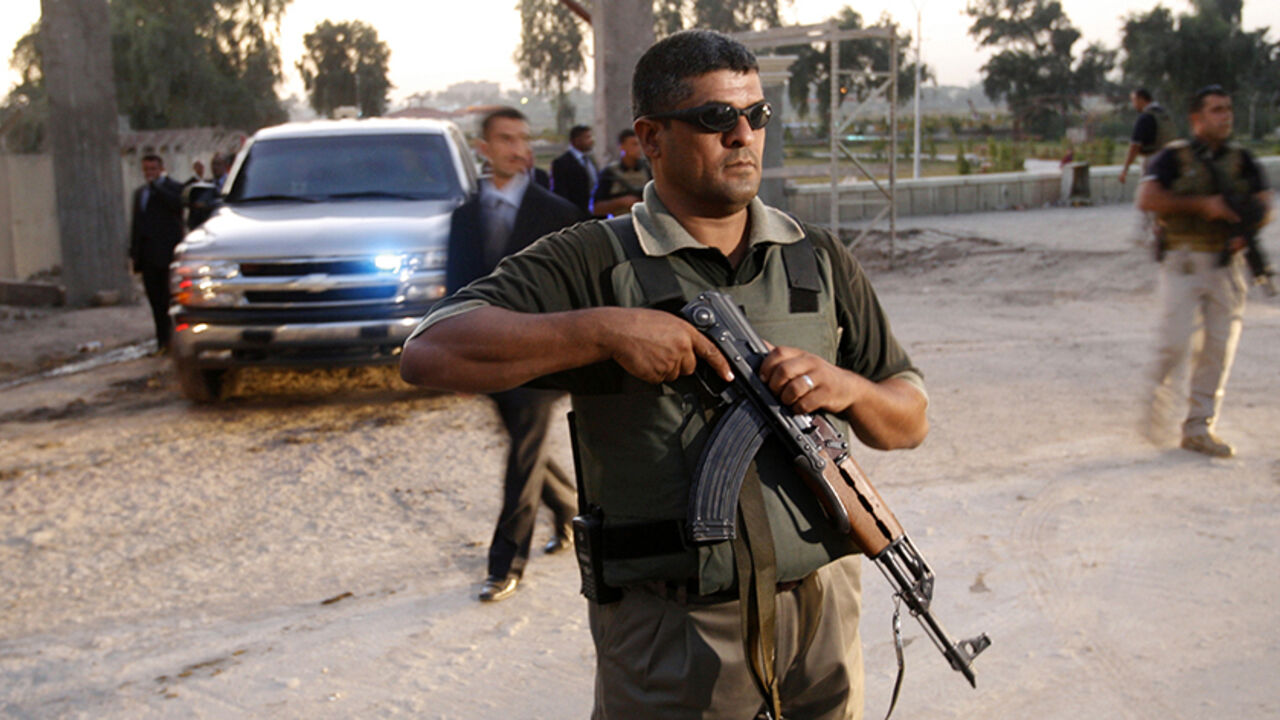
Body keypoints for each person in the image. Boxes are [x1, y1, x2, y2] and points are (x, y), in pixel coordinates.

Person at [401, 29, 927, 718]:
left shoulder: (817, 258)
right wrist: (603, 328)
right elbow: (430, 349)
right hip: (676, 632)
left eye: (756, 116)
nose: (743, 135)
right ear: (651, 138)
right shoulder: (592, 261)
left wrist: (848, 389)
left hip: (823, 610)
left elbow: (908, 416)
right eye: (716, 118)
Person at [446, 107, 586, 603]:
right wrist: (456, 356)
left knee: (521, 457)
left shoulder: (558, 213)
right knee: (527, 452)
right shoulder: (464, 215)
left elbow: (578, 289)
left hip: (543, 357)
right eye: (505, 138)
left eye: (522, 138)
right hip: (489, 357)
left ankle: (506, 564)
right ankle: (571, 513)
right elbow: (458, 289)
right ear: (483, 148)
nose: (517, 147)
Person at [1136, 85, 1271, 458]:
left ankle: (1198, 427)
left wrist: (1247, 229)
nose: (1224, 116)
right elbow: (1147, 198)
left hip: (1225, 266)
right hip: (1184, 261)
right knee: (1174, 343)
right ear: (1196, 119)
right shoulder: (1174, 158)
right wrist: (1203, 206)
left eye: (1227, 108)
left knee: (1216, 350)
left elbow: (1264, 203)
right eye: (1215, 110)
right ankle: (1155, 404)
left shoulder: (1242, 160)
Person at [128, 154, 185, 353]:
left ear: (161, 168)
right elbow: (137, 225)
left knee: (170, 301)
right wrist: (134, 254)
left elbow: (177, 207)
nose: (149, 174)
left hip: (167, 257)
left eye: (153, 169)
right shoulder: (140, 193)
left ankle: (174, 342)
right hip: (149, 258)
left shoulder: (173, 188)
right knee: (155, 303)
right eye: (146, 170)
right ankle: (162, 343)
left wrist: (158, 187)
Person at [1119, 88, 1177, 185]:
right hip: (1168, 157)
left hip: (1151, 160)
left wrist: (1125, 169)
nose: (1133, 104)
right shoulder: (1164, 114)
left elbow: (1135, 146)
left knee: (1148, 189)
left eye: (1134, 100)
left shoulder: (1145, 117)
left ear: (1141, 99)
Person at [593, 128, 653, 217]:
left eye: (640, 144)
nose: (639, 148)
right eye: (634, 144)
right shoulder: (610, 173)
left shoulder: (649, 170)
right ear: (622, 146)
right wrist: (621, 202)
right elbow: (596, 208)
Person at [550, 124, 598, 215]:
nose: (591, 141)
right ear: (577, 141)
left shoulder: (590, 160)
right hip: (575, 215)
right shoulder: (562, 163)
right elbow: (561, 193)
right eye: (587, 137)